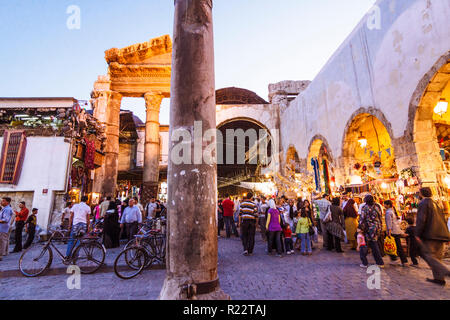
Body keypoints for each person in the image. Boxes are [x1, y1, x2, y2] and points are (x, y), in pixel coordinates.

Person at [415, 187, 450, 286]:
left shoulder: (423, 203)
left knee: (429, 256)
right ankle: (439, 279)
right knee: (437, 257)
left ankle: (446, 271)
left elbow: (421, 219)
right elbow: (443, 218)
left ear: (421, 193)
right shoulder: (436, 203)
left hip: (430, 234)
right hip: (440, 234)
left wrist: (417, 233)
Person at [358, 195, 384, 267]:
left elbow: (362, 218)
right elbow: (380, 216)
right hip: (377, 227)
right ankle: (378, 262)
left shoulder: (365, 208)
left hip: (369, 228)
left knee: (367, 244)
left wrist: (360, 227)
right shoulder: (377, 206)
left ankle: (367, 262)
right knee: (373, 243)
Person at [384, 200, 408, 267]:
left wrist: (389, 231)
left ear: (388, 205)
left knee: (393, 245)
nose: (384, 205)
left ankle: (396, 259)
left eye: (385, 204)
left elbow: (389, 222)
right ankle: (403, 260)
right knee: (398, 245)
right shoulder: (392, 211)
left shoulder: (388, 212)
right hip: (396, 230)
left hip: (392, 231)